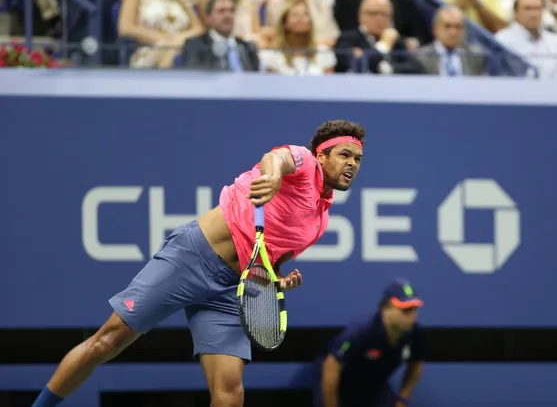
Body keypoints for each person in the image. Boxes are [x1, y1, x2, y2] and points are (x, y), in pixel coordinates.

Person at [32, 120, 366, 407]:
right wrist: (275, 177)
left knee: (230, 392)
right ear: (322, 155)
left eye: (358, 159)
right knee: (106, 342)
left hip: (229, 291)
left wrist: (277, 280)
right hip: (193, 257)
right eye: (344, 155)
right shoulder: (304, 162)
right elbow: (274, 158)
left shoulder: (319, 221)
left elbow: (265, 261)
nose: (352, 163)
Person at [315, 278, 425, 407]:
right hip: (338, 384)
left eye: (414, 310)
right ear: (385, 307)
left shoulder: (417, 333)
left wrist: (402, 399)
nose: (411, 316)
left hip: (373, 386)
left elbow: (416, 365)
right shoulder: (362, 331)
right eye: (405, 310)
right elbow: (331, 367)